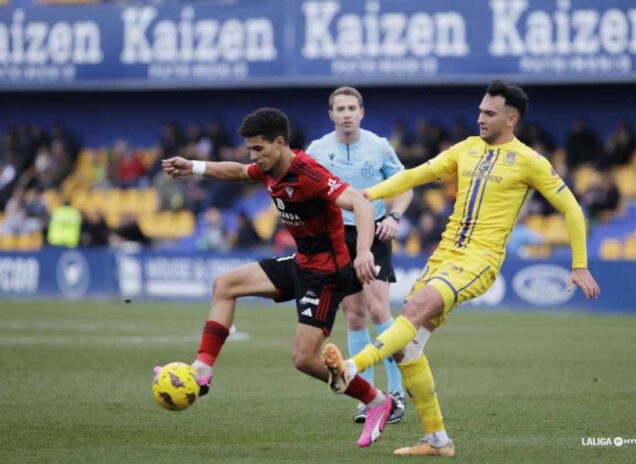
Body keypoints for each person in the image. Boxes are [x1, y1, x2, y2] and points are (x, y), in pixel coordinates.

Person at [321, 81, 601, 457]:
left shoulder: (530, 161)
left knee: (414, 309)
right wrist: (369, 194)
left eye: (489, 113)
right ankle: (437, 440)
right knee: (408, 350)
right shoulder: (466, 148)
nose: (480, 117)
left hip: (479, 262)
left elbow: (571, 208)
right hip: (444, 255)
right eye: (480, 110)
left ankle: (353, 369)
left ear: (511, 118)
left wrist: (579, 265)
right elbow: (414, 175)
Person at [159, 108, 395, 448]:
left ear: (280, 142)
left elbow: (360, 203)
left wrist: (363, 253)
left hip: (327, 274)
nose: (253, 157)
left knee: (304, 360)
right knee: (225, 285)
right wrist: (193, 167)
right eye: (251, 150)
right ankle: (201, 369)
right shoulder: (270, 168)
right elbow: (239, 172)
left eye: (258, 149)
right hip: (302, 263)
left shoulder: (308, 173)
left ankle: (377, 401)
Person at [306, 86, 413, 424]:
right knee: (354, 317)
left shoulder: (379, 146)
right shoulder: (318, 150)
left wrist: (394, 217)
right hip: (337, 236)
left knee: (380, 310)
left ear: (362, 113)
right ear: (331, 115)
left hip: (375, 230)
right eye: (341, 108)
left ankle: (396, 392)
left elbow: (405, 184)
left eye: (353, 107)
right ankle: (367, 397)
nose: (347, 113)